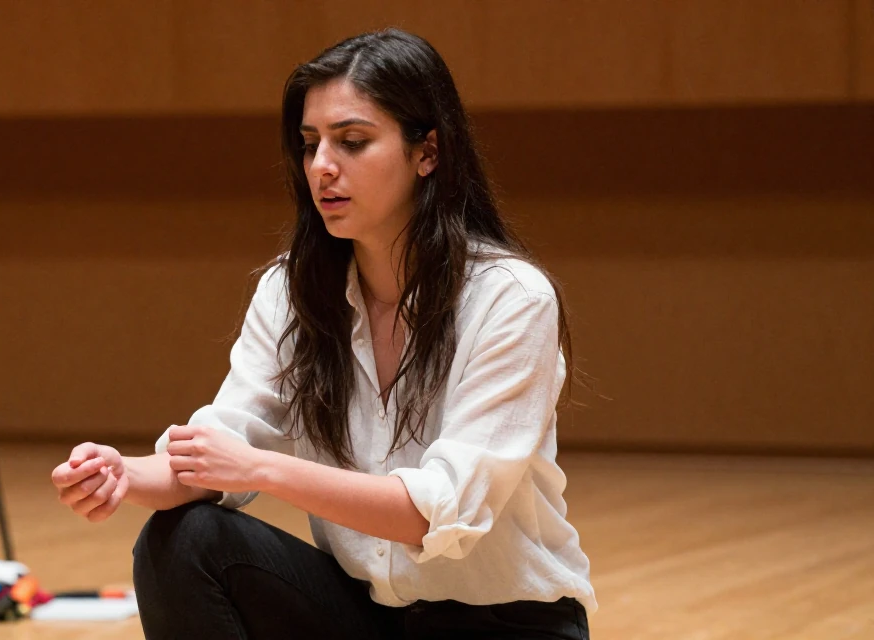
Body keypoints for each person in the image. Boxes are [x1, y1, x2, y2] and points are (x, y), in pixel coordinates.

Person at [51, 28, 595, 639]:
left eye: (353, 142)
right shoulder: (290, 290)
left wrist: (259, 470)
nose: (323, 167)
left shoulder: (510, 298)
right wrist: (122, 474)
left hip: (508, 625)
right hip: (368, 615)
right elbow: (219, 450)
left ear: (428, 152)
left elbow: (438, 511)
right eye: (310, 145)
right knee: (185, 538)